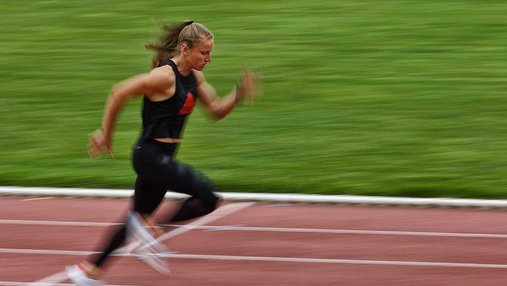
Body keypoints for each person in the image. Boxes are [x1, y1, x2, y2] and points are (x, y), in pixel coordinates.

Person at [66, 20, 259, 285]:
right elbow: (118, 91)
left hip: (163, 158)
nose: (209, 58)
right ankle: (150, 229)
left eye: (210, 53)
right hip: (150, 155)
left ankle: (87, 271)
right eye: (204, 53)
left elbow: (215, 110)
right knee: (208, 196)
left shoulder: (194, 77)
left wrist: (238, 94)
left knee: (135, 218)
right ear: (185, 49)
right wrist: (105, 133)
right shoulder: (164, 76)